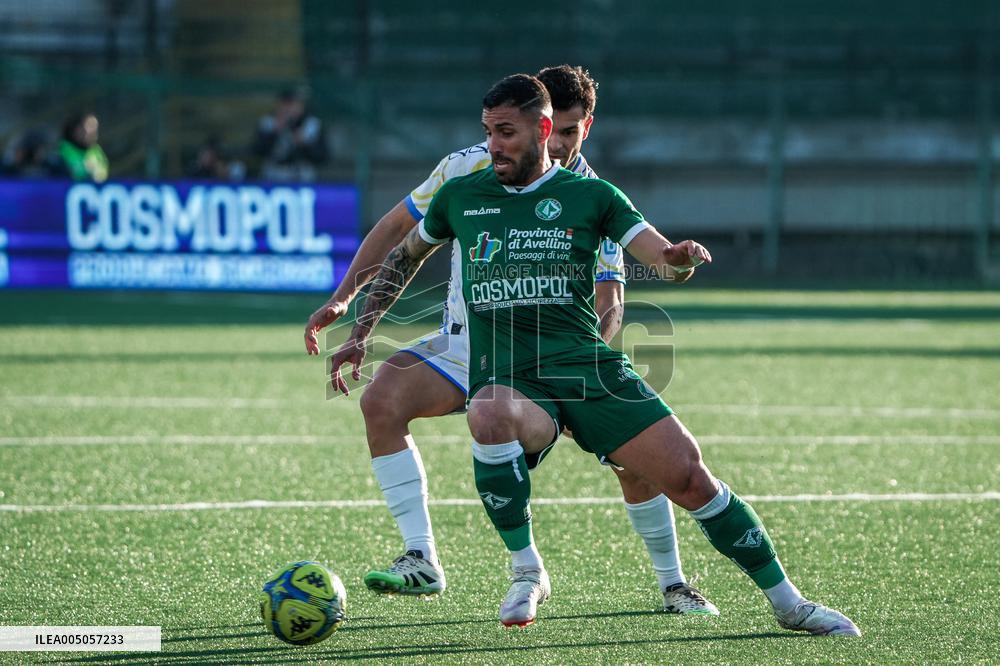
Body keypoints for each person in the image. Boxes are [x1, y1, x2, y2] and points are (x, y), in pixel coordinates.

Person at [323, 73, 862, 635]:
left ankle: (790, 604)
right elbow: (404, 254)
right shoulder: (462, 194)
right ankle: (526, 569)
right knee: (488, 410)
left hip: (587, 369)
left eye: (506, 133)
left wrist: (678, 260)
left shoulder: (594, 196)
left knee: (690, 478)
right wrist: (360, 329)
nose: (493, 146)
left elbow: (657, 258)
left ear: (543, 130)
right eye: (488, 132)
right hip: (509, 375)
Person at [305, 66, 717, 616]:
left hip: (556, 356)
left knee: (634, 461)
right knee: (381, 399)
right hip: (464, 347)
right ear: (536, 122)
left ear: (585, 128)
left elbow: (610, 299)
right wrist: (346, 301)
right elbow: (397, 231)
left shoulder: (589, 194)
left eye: (571, 132)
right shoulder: (467, 167)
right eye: (554, 130)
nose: (561, 144)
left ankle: (673, 583)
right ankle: (421, 557)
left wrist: (572, 371)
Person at [253, 89, 328, 182]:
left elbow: (322, 156)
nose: (288, 109)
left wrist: (305, 144)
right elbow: (257, 151)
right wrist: (274, 133)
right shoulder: (268, 122)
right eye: (284, 104)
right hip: (274, 170)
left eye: (292, 104)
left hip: (302, 172)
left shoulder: (312, 124)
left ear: (301, 106)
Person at [58, 113, 109, 183]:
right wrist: (86, 170)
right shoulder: (62, 149)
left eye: (95, 127)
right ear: (77, 130)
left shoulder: (96, 151)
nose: (93, 132)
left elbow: (103, 174)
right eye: (90, 126)